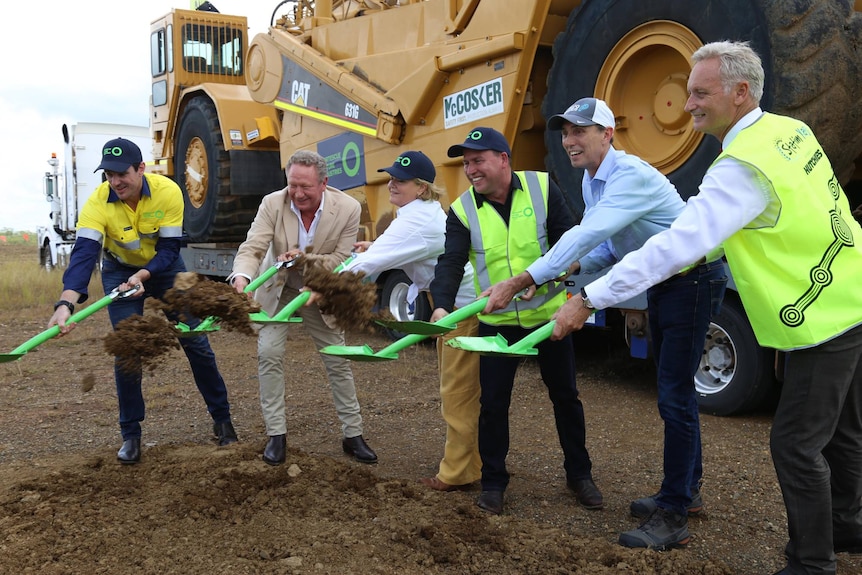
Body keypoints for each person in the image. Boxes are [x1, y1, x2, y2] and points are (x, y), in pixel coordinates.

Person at [553, 41, 862, 574]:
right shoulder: (790, 131)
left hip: (820, 321)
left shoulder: (740, 167)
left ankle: (812, 562)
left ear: (740, 93)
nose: (687, 102)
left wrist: (590, 298)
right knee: (843, 432)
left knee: (795, 446)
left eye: (700, 92)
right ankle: (848, 526)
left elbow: (679, 244)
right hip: (850, 297)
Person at [481, 98, 727, 550]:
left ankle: (674, 510)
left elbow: (586, 234)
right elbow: (610, 250)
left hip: (691, 279)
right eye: (565, 133)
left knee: (674, 394)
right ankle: (684, 492)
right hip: (665, 280)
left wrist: (522, 278)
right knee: (673, 389)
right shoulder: (593, 180)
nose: (569, 141)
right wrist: (557, 277)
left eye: (580, 132)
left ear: (607, 134)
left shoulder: (628, 175)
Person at [429, 126, 601, 515]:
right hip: (498, 322)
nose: (470, 169)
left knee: (566, 398)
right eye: (466, 163)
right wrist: (441, 306)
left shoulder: (542, 188)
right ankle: (493, 482)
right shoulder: (462, 210)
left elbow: (568, 243)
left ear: (503, 159)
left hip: (547, 319)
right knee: (492, 403)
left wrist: (551, 281)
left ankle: (580, 475)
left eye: (478, 160)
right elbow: (451, 262)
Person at [48, 138, 238, 465]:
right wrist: (65, 304)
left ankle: (222, 420)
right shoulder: (96, 203)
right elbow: (83, 256)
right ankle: (131, 436)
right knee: (127, 349)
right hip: (119, 269)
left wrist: (144, 276)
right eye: (109, 174)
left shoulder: (167, 192)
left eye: (122, 173)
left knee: (195, 340)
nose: (116, 181)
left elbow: (168, 251)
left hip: (163, 269)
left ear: (140, 169)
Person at [340, 151, 482, 491]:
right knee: (465, 391)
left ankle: (459, 473)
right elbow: (400, 246)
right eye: (390, 177)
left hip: (461, 310)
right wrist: (375, 245)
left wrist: (324, 284)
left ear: (421, 188)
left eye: (399, 180)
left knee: (458, 393)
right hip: (456, 304)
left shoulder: (415, 220)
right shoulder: (421, 213)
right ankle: (474, 462)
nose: (391, 183)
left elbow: (371, 264)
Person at [228, 150, 377, 466]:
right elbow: (253, 246)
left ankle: (353, 435)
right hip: (278, 287)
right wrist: (242, 277)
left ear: (324, 183)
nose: (297, 194)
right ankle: (276, 435)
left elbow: (340, 259)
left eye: (305, 187)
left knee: (338, 358)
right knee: (268, 352)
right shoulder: (273, 203)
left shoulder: (349, 208)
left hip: (318, 290)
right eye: (292, 185)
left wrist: (305, 260)